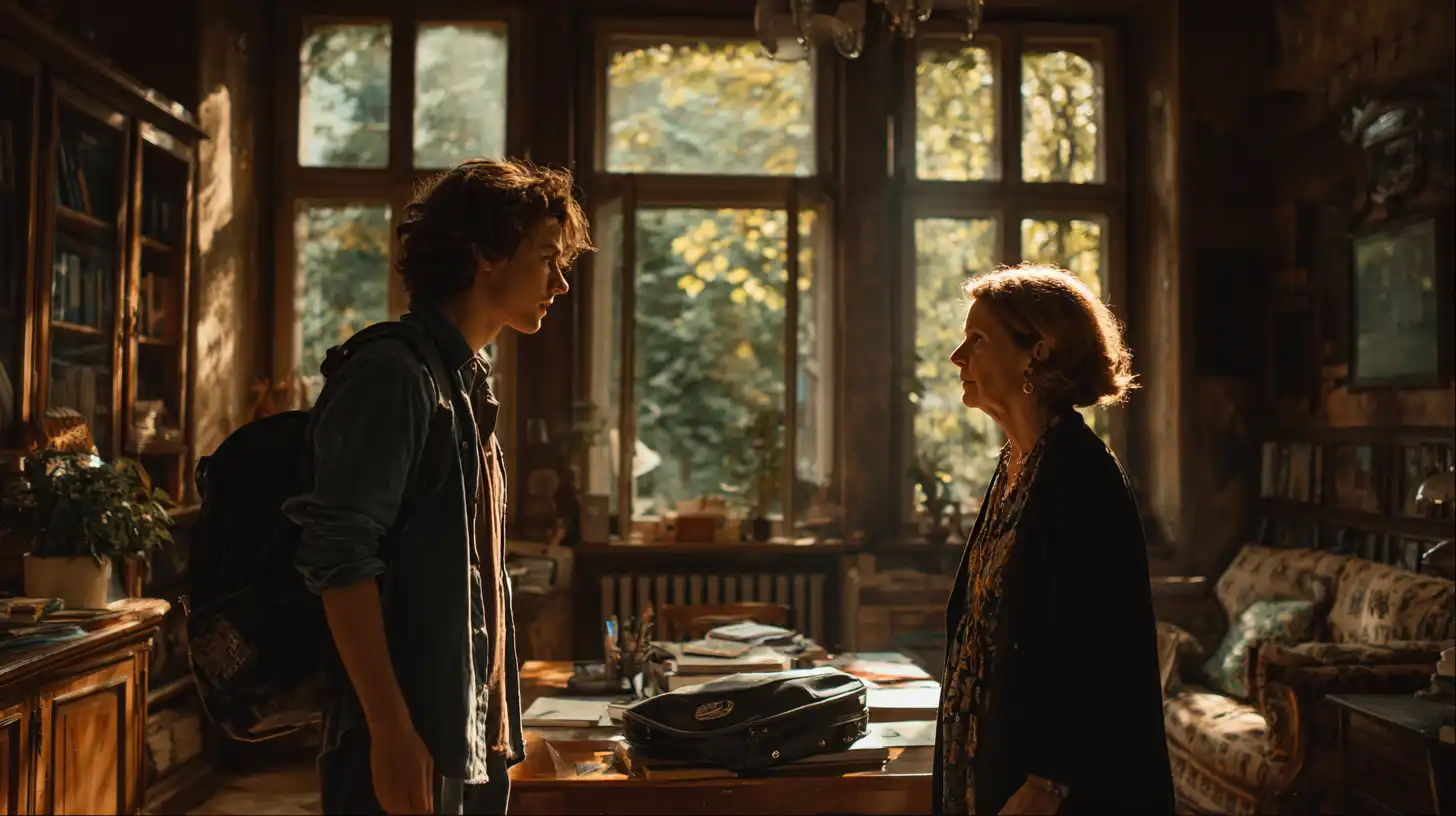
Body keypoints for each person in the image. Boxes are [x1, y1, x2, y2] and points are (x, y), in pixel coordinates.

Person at [283, 158, 593, 815]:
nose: (560, 284)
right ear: (485, 253)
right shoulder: (395, 376)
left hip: (465, 733)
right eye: (546, 258)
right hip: (405, 736)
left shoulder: (463, 382)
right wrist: (391, 729)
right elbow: (338, 563)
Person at [934, 264, 1174, 815]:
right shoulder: (1015, 465)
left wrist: (1049, 779)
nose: (957, 357)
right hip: (987, 756)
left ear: (1037, 351)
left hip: (1050, 785)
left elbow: (1102, 644)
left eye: (978, 339)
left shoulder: (1080, 474)